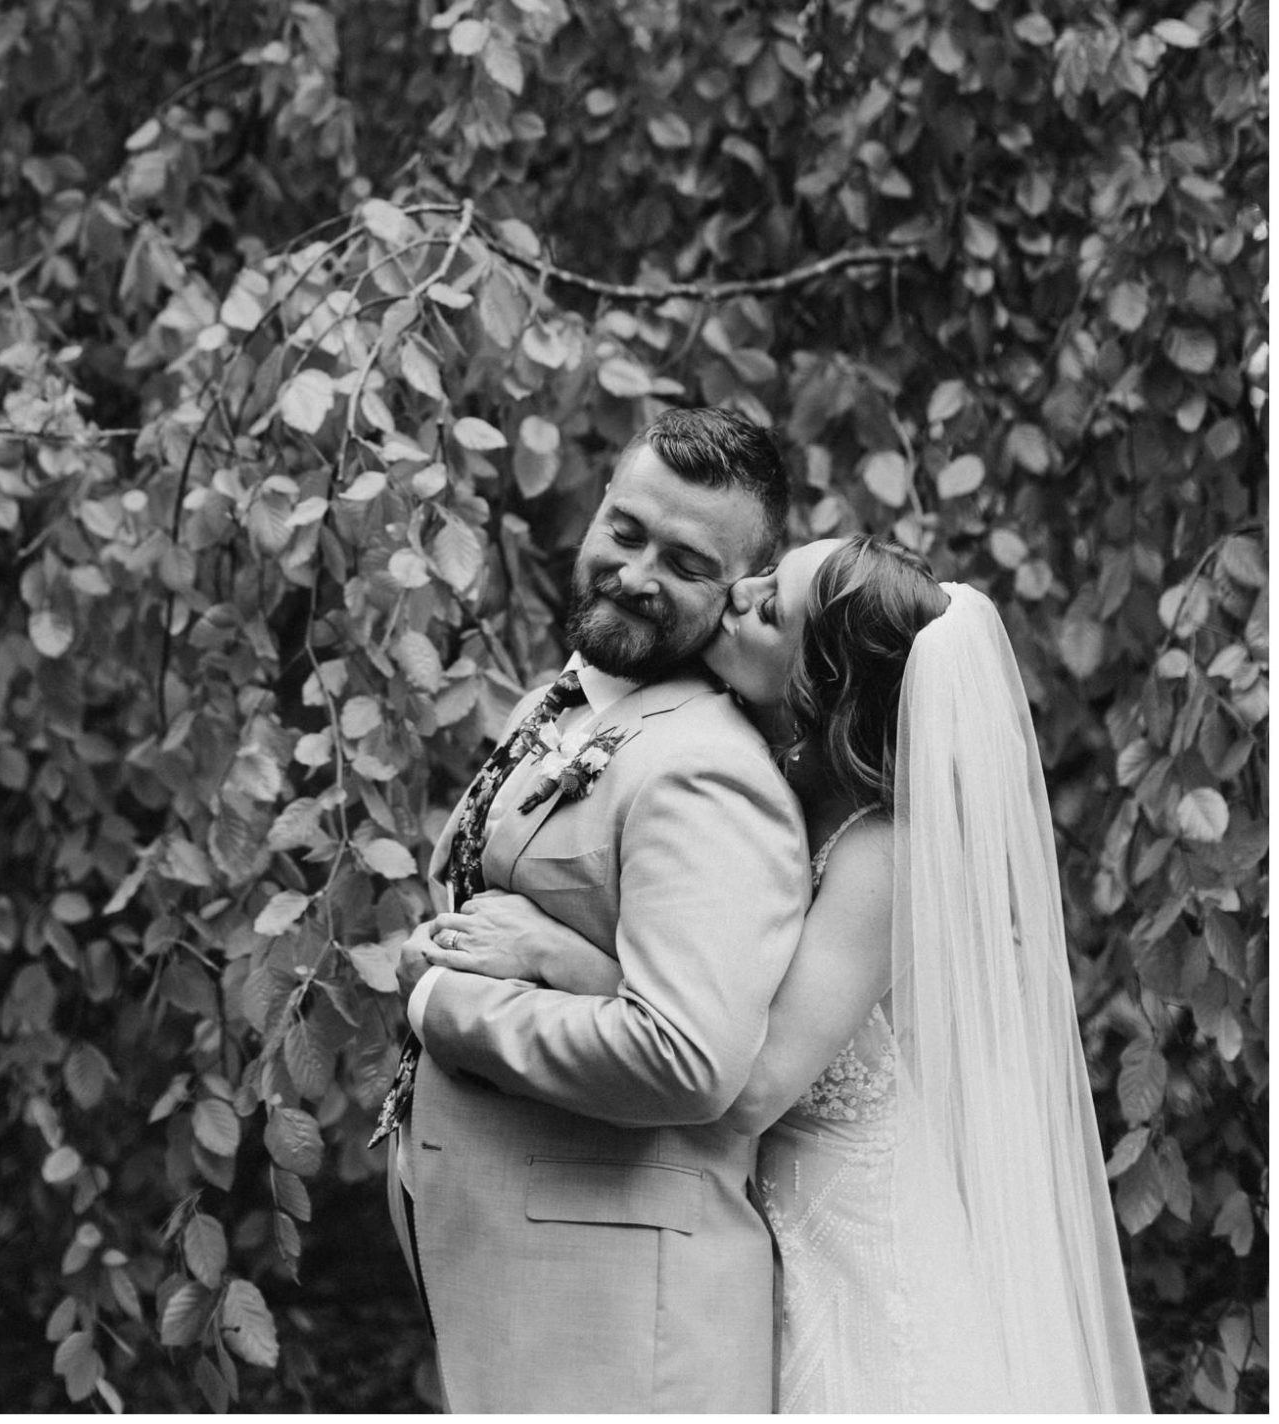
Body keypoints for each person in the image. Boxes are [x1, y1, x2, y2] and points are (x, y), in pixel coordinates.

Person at [424, 535, 1152, 1414]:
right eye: (766, 575)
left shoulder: (888, 845)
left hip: (845, 1247)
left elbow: (754, 1083)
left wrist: (556, 956)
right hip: (736, 1226)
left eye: (770, 609)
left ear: (823, 688)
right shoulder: (752, 767)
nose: (738, 593)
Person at [382, 407, 810, 1414]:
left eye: (686, 561)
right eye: (626, 530)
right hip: (531, 1291)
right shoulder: (564, 700)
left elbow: (684, 1056)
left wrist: (439, 1003)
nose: (635, 572)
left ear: (741, 587)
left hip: (625, 1336)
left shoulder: (704, 770)